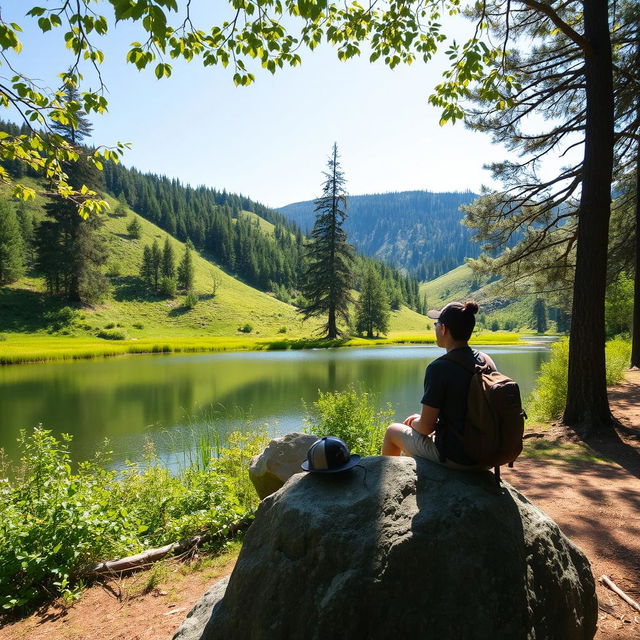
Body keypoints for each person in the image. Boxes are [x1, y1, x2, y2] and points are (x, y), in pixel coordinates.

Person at [382, 300, 496, 469]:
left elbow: (426, 427)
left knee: (392, 431)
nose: (435, 328)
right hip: (488, 454)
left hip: (458, 457)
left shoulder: (439, 368)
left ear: (443, 329)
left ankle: (390, 487)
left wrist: (414, 421)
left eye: (437, 324)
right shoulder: (485, 360)